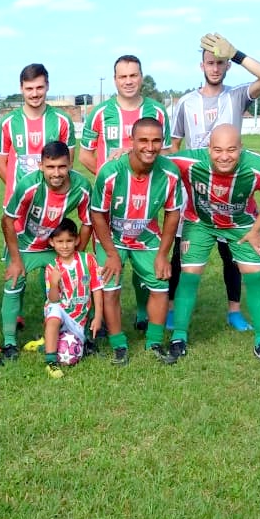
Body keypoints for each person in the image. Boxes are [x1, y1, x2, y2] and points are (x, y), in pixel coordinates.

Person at [168, 33, 260, 332]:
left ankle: (234, 310)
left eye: (220, 63)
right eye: (210, 63)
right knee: (181, 252)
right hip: (196, 190)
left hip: (233, 189)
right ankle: (174, 308)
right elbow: (174, 148)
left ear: (227, 66)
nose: (214, 68)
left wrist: (238, 54)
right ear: (200, 65)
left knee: (232, 254)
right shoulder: (185, 103)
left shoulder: (237, 95)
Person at [166, 124, 260, 364]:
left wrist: (256, 229)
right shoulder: (190, 162)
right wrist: (126, 150)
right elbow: (156, 157)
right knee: (189, 275)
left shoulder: (259, 167)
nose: (224, 156)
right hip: (200, 222)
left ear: (241, 148)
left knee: (255, 277)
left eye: (231, 149)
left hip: (241, 225)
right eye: (217, 149)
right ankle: (178, 338)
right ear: (208, 149)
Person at [79, 54, 172, 331]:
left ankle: (143, 312)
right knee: (108, 258)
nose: (128, 81)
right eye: (123, 76)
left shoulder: (156, 111)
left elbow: (166, 153)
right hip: (111, 203)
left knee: (142, 251)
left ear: (141, 77)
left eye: (134, 75)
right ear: (115, 80)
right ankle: (105, 319)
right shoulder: (100, 112)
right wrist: (112, 177)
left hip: (145, 200)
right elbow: (85, 155)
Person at [90, 118, 182, 366]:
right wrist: (110, 253)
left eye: (156, 141)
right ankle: (118, 344)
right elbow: (97, 213)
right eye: (143, 140)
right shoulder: (111, 172)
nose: (150, 147)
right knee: (111, 288)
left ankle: (154, 341)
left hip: (147, 236)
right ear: (131, 142)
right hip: (113, 237)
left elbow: (173, 213)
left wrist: (163, 254)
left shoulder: (170, 173)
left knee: (160, 283)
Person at [0, 141, 92, 359]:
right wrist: (15, 260)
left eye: (61, 166)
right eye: (50, 167)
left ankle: (72, 334)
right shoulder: (28, 185)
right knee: (14, 282)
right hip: (24, 243)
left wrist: (76, 254)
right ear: (41, 166)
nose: (56, 173)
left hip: (52, 245)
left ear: (69, 163)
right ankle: (10, 341)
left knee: (71, 281)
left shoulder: (82, 187)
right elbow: (7, 221)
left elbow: (88, 223)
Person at [0, 63, 76, 206]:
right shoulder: (7, 122)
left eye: (39, 87)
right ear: (21, 88)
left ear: (47, 86)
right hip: (17, 202)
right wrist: (21, 189)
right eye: (29, 89)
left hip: (50, 203)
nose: (34, 94)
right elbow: (1, 164)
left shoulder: (62, 121)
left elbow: (68, 163)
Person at [40, 219, 103, 378]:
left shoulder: (88, 260)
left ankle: (47, 342)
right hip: (60, 309)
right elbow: (53, 299)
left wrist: (98, 315)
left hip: (79, 318)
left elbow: (96, 288)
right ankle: (51, 362)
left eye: (69, 241)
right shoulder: (51, 267)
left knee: (73, 355)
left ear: (77, 240)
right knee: (54, 313)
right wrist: (54, 283)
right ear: (52, 242)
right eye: (60, 241)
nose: (65, 245)